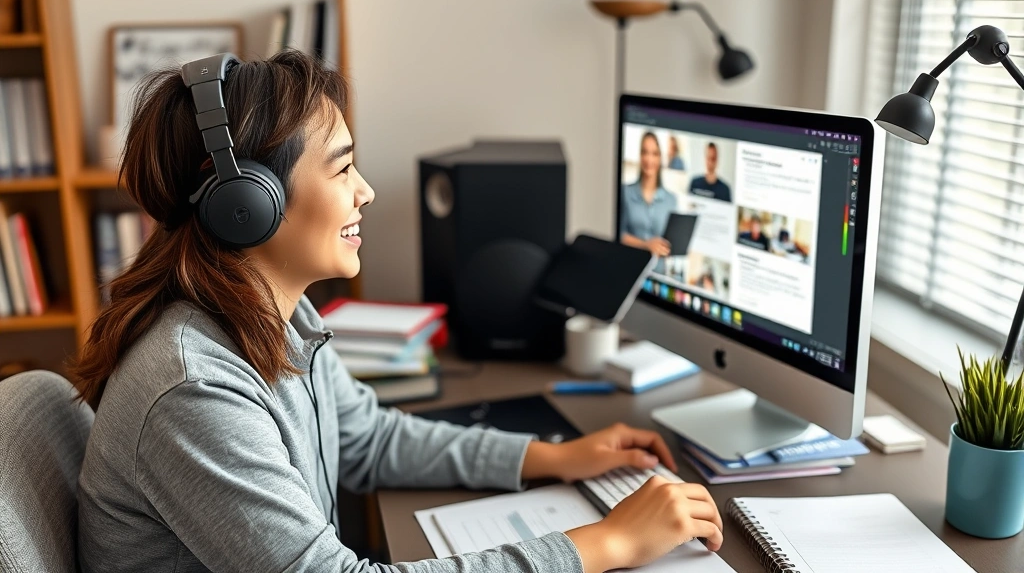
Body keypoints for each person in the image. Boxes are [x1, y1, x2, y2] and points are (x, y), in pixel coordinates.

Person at [72, 51, 723, 573]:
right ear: (249, 204)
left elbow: (369, 438)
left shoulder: (271, 319)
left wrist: (553, 457)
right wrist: (605, 545)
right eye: (342, 169)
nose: (366, 191)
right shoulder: (195, 391)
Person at [620, 132, 678, 266]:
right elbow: (619, 234)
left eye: (654, 153)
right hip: (631, 268)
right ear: (640, 156)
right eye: (645, 152)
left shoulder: (671, 200)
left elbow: (671, 242)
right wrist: (646, 245)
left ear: (660, 158)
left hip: (658, 274)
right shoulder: (626, 192)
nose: (649, 159)